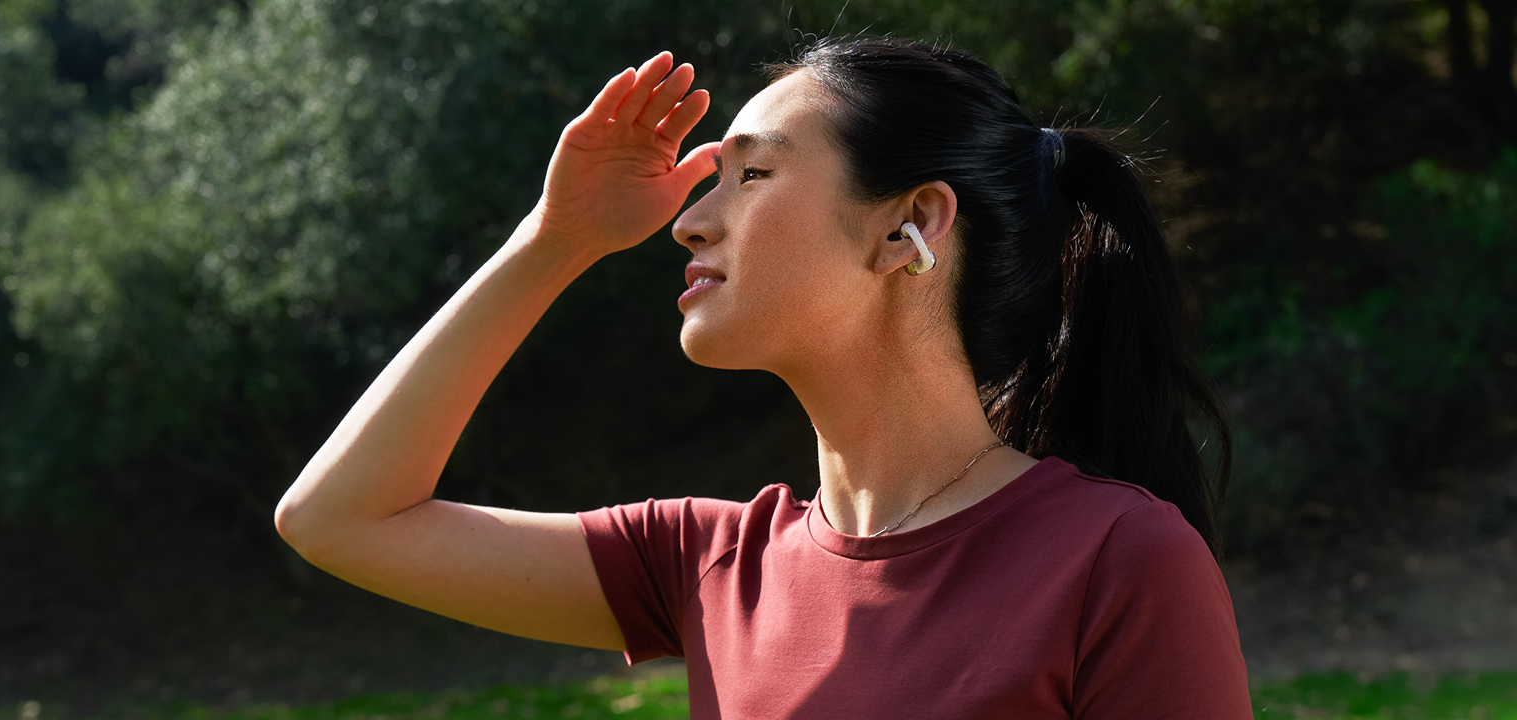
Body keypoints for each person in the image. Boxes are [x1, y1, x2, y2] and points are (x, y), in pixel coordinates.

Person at [275, 37, 1251, 718]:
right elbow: (339, 519)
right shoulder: (704, 565)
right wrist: (552, 243)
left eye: (752, 175)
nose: (691, 221)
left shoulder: (1120, 561)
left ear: (909, 225)